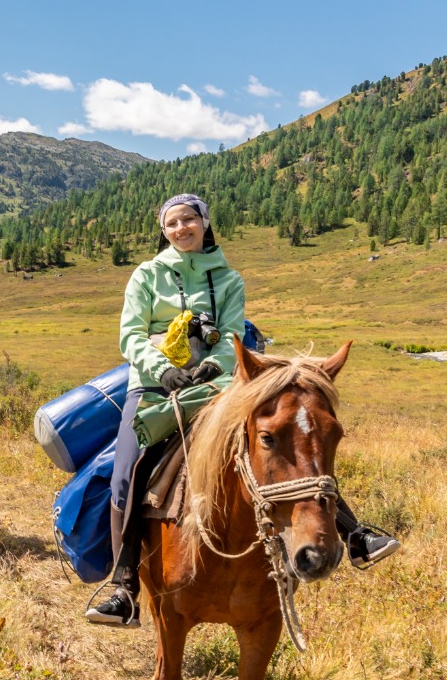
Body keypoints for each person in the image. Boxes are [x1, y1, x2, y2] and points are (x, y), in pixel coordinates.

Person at [85, 194, 401, 628]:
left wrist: (215, 366)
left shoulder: (228, 279)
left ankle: (355, 533)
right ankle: (124, 587)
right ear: (164, 231)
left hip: (216, 385)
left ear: (204, 223)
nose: (180, 228)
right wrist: (164, 370)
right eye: (171, 223)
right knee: (128, 471)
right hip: (156, 387)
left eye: (188, 219)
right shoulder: (146, 275)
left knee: (286, 443)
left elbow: (232, 332)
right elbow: (131, 336)